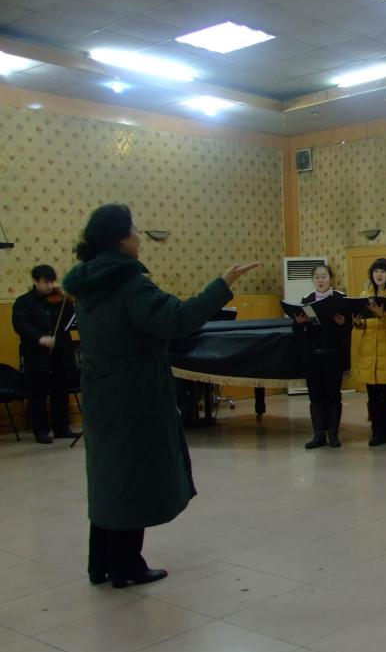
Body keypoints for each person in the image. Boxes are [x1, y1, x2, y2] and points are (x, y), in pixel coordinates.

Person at [62, 203, 258, 588]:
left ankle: (100, 562)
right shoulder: (129, 283)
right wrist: (222, 284)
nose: (140, 235)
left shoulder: (87, 283)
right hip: (134, 392)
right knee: (132, 476)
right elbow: (179, 319)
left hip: (100, 390)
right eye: (135, 228)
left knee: (107, 476)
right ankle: (126, 566)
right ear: (120, 238)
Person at [12, 264, 78, 444]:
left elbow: (70, 319)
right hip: (37, 354)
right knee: (38, 394)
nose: (50, 286)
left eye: (52, 282)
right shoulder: (24, 302)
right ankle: (41, 431)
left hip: (60, 353)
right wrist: (40, 338)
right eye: (45, 282)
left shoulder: (60, 300)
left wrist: (72, 302)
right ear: (35, 281)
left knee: (60, 390)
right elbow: (20, 325)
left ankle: (61, 428)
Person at [292, 264, 351, 449]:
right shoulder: (307, 300)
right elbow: (297, 330)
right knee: (315, 396)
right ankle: (318, 434)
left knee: (333, 395)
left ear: (330, 278)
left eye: (324, 276)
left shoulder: (340, 298)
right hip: (313, 356)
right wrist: (298, 323)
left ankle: (333, 434)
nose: (320, 280)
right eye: (316, 277)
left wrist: (344, 322)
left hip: (333, 356)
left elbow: (349, 326)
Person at [353, 258, 386, 447]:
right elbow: (363, 324)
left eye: (382, 271)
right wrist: (358, 323)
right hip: (368, 351)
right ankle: (376, 431)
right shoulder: (364, 295)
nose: (379, 275)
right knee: (373, 396)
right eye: (376, 271)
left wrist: (382, 313)